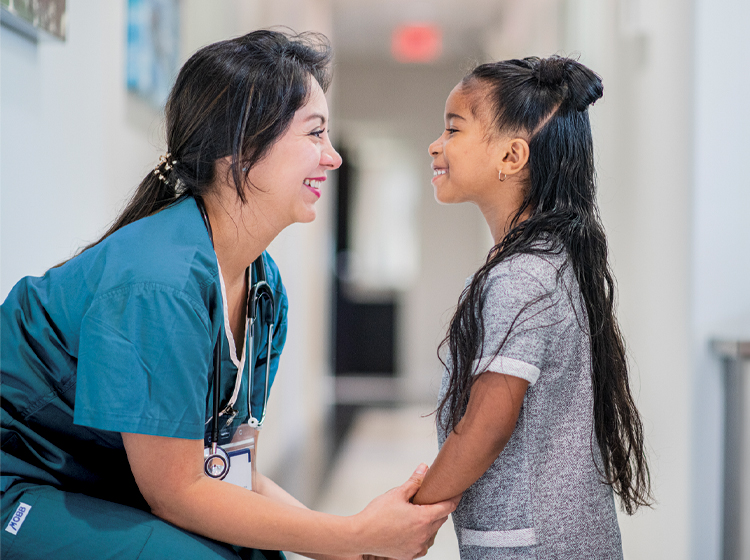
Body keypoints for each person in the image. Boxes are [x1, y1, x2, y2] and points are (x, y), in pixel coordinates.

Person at [1, 29, 455, 560]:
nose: (332, 157)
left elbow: (231, 470)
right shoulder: (160, 283)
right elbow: (178, 493)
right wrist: (352, 539)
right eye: (314, 134)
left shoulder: (263, 290)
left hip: (101, 483)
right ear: (242, 147)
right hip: (22, 481)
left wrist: (354, 539)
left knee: (262, 552)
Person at [412, 56, 653, 558]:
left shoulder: (520, 277)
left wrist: (413, 514)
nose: (436, 145)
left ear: (512, 156)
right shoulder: (547, 261)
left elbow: (487, 424)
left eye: (453, 129)